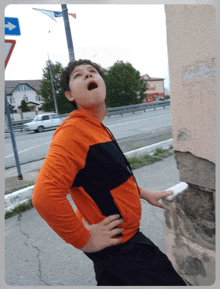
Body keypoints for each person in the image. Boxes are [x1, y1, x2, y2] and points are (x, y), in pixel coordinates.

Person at [32, 59, 186, 286]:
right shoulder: (72, 132)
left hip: (115, 241)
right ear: (69, 96)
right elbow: (44, 197)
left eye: (92, 72)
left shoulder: (95, 126)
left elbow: (109, 176)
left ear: (102, 83)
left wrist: (142, 193)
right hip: (121, 245)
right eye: (78, 75)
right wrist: (85, 240)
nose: (87, 75)